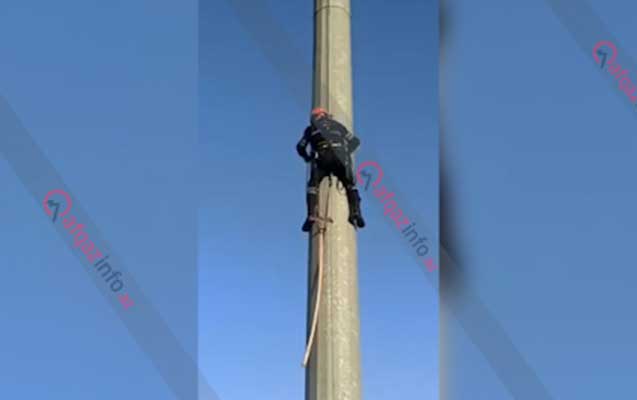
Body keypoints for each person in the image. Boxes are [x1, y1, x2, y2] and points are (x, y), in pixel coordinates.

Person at [296, 107, 366, 232]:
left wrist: (307, 158)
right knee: (350, 185)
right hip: (340, 157)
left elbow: (300, 147)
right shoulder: (337, 125)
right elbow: (355, 142)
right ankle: (355, 213)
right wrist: (346, 152)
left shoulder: (310, 129)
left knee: (313, 185)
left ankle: (311, 214)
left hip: (322, 157)